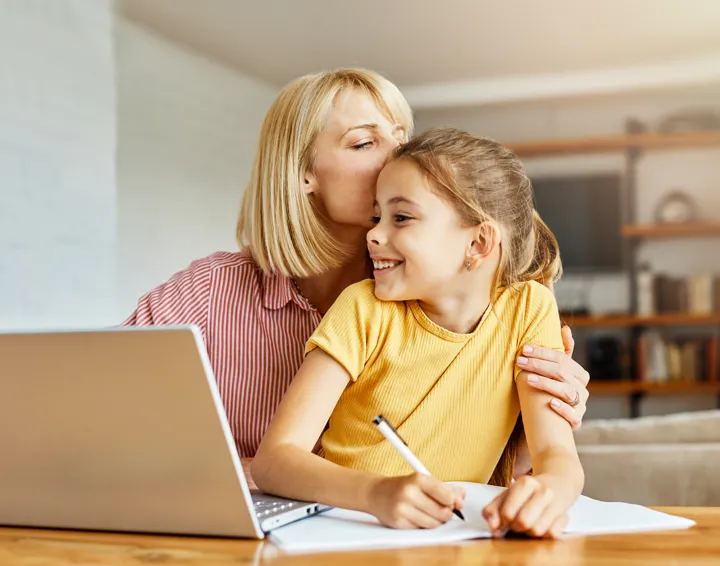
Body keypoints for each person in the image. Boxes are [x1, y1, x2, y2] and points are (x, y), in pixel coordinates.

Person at [123, 69, 590, 485]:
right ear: (304, 173)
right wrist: (240, 476)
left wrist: (540, 427)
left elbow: (491, 464)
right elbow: (96, 410)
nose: (396, 157)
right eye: (365, 143)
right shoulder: (209, 293)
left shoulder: (454, 290)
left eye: (401, 138)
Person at [252, 128, 584, 538]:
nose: (373, 234)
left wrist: (551, 490)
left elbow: (556, 453)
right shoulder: (362, 307)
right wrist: (376, 493)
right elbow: (275, 460)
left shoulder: (530, 308)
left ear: (479, 243)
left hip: (455, 537)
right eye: (377, 217)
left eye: (401, 217)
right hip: (343, 532)